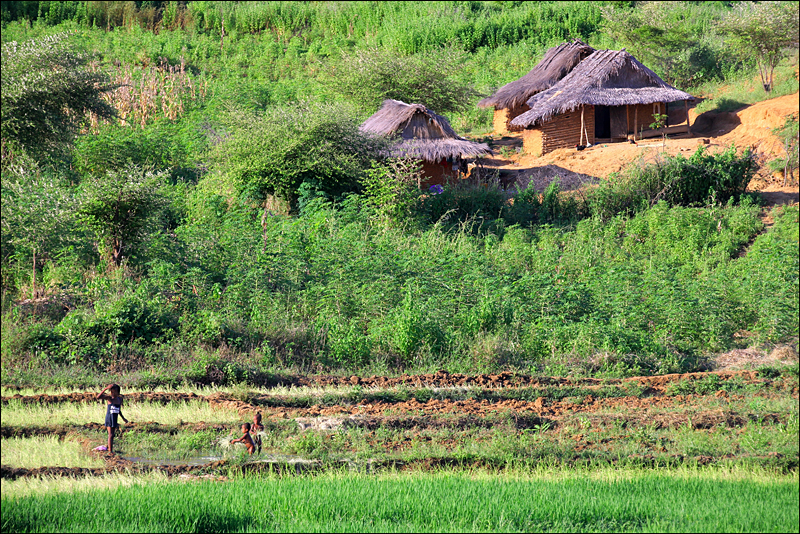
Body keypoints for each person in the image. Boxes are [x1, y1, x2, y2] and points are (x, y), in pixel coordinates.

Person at [97, 383, 128, 454]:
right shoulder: (109, 398)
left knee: (113, 435)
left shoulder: (119, 399)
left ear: (118, 392)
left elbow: (118, 410)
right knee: (110, 434)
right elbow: (98, 397)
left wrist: (123, 418)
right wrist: (105, 389)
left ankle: (109, 448)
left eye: (115, 392)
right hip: (109, 418)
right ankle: (110, 451)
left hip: (115, 418)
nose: (113, 393)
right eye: (112, 392)